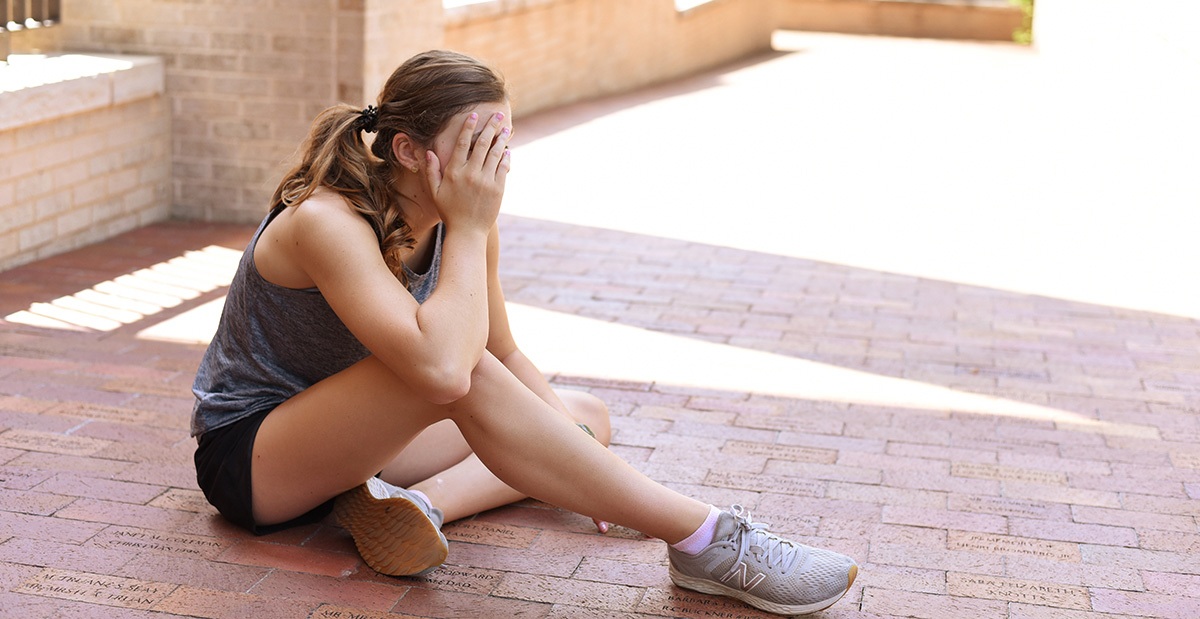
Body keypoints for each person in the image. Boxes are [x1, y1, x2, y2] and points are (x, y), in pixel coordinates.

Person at [190, 50, 857, 616]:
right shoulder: (328, 222)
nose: (496, 164)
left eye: (502, 142)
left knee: (581, 417)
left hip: (361, 441)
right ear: (409, 151)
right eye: (479, 144)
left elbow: (503, 347)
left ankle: (414, 503)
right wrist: (474, 228)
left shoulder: (459, 220)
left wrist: (586, 468)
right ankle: (704, 538)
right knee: (459, 371)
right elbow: (451, 370)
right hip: (254, 457)